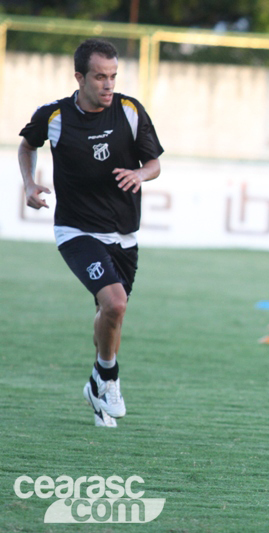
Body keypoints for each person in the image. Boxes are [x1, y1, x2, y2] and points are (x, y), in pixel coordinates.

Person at [18, 39, 163, 428]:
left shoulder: (130, 111)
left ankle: (96, 386)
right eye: (100, 76)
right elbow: (27, 145)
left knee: (109, 313)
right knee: (115, 304)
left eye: (113, 76)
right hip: (77, 231)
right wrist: (29, 184)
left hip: (124, 235)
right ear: (80, 77)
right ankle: (109, 378)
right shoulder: (54, 116)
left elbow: (154, 163)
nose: (108, 84)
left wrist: (139, 173)